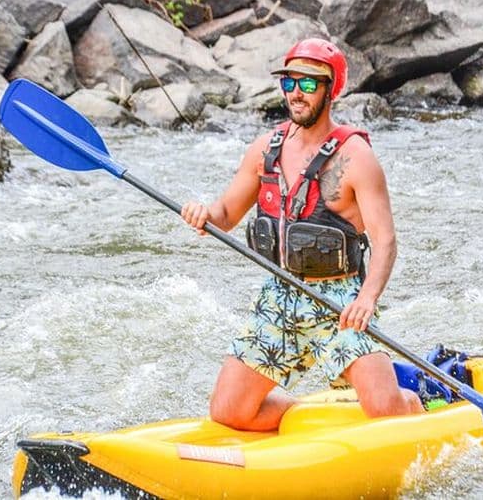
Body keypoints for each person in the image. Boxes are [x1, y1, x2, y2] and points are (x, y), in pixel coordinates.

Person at [181, 38, 424, 431]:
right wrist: (203, 213)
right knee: (228, 411)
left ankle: (413, 400)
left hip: (339, 300)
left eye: (309, 84)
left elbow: (385, 241)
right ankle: (314, 418)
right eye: (289, 82)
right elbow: (224, 215)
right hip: (281, 294)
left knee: (384, 411)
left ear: (331, 90)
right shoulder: (264, 150)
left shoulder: (357, 158)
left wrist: (366, 299)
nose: (296, 92)